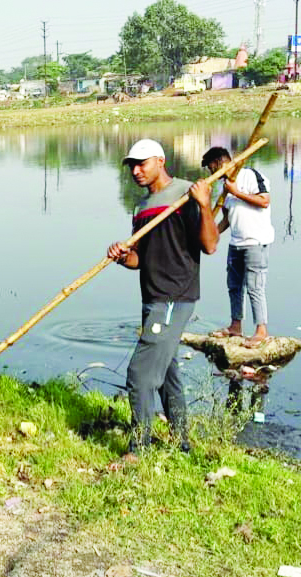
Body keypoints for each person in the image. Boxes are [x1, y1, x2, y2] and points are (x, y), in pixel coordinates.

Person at [107, 139, 218, 457]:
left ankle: (138, 450)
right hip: (152, 296)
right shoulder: (141, 207)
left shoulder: (188, 192)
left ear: (161, 160)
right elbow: (138, 260)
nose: (136, 170)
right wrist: (122, 254)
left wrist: (205, 204)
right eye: (132, 165)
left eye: (142, 163)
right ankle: (182, 441)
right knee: (167, 372)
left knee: (140, 375)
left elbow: (209, 246)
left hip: (174, 296)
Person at [201, 146, 273, 348]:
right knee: (234, 286)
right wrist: (211, 234)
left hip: (256, 242)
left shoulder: (250, 175)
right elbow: (227, 219)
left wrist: (237, 192)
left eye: (210, 168)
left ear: (218, 163)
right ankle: (236, 326)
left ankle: (261, 330)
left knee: (255, 287)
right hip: (236, 243)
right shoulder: (225, 187)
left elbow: (264, 201)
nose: (211, 175)